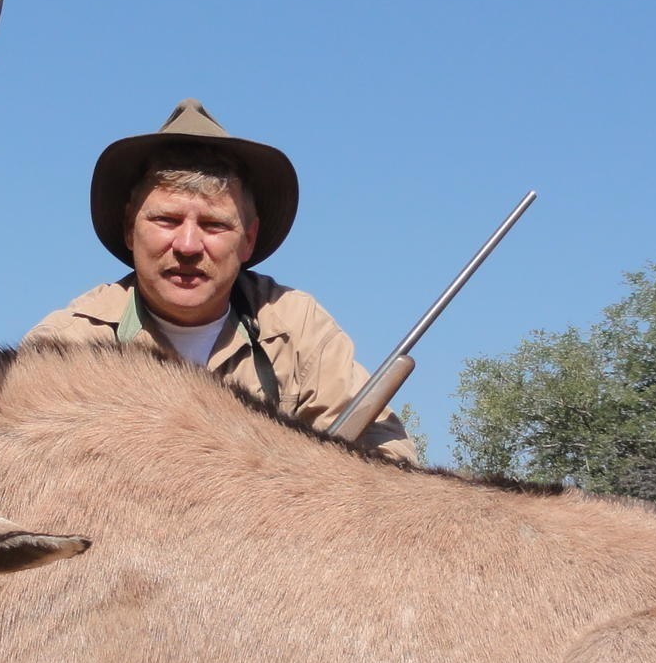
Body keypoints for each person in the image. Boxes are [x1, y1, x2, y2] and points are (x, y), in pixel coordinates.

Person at [26, 100, 418, 463]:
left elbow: (391, 461)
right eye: (167, 220)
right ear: (130, 229)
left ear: (248, 239)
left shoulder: (298, 327)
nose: (188, 245)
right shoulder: (66, 344)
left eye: (214, 225)